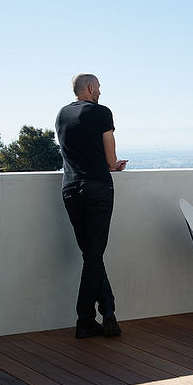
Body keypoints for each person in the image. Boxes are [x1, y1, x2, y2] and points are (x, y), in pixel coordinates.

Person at [56, 73, 128, 338]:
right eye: (98, 87)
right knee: (94, 255)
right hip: (97, 187)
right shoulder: (101, 112)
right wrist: (114, 165)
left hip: (70, 189)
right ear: (90, 88)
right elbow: (110, 157)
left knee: (91, 255)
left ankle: (107, 312)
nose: (100, 91)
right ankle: (85, 320)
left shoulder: (62, 114)